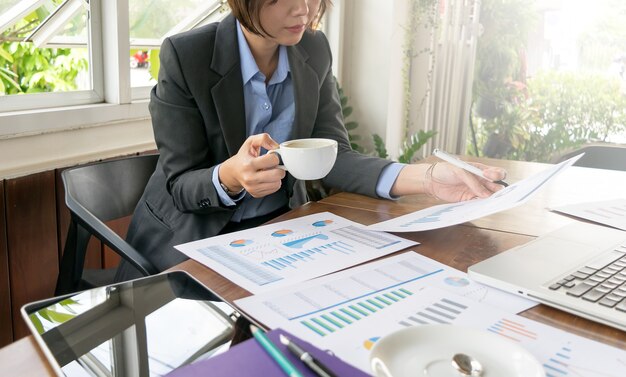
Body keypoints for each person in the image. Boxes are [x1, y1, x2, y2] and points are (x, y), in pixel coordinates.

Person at [114, 0, 507, 281]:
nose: (304, 8)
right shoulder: (188, 55)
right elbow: (181, 185)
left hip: (277, 233)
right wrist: (230, 176)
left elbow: (334, 156)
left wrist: (428, 179)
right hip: (189, 238)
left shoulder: (313, 49)